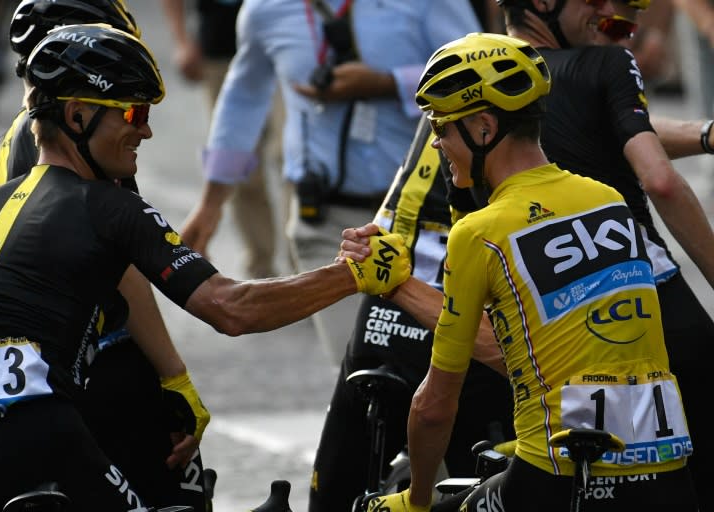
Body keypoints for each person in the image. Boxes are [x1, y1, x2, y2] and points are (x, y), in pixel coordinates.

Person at [0, 23, 410, 511]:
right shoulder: (109, 205)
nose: (144, 129)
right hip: (36, 426)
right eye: (134, 111)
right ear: (77, 115)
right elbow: (232, 308)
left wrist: (171, 380)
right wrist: (354, 274)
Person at [351, 31, 697, 511]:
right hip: (666, 475)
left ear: (484, 128)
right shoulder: (608, 201)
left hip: (559, 476)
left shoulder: (480, 234)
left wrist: (416, 499)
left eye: (443, 129)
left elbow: (433, 408)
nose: (436, 144)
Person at [0, 1, 211, 509]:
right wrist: (173, 375)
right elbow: (124, 271)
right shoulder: (84, 147)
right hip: (102, 368)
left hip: (11, 391)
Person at [179, 0, 483, 366]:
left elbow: (478, 73)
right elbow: (244, 98)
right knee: (359, 371)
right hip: (327, 224)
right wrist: (210, 205)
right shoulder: (266, 8)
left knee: (438, 372)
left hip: (428, 222)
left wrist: (388, 84)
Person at [495, 0, 714, 507]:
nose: (611, 14)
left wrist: (704, 135)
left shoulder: (473, 85)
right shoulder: (607, 64)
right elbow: (658, 178)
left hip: (541, 322)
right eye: (595, 1)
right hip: (649, 300)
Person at [308, 4, 514, 511]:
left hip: (402, 288)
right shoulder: (492, 80)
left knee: (340, 488)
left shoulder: (481, 67)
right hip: (408, 295)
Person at [161, 0, 282, 279]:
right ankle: (263, 267)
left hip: (280, 49)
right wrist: (181, 40)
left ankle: (307, 262)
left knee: (289, 154)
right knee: (244, 169)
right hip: (220, 49)